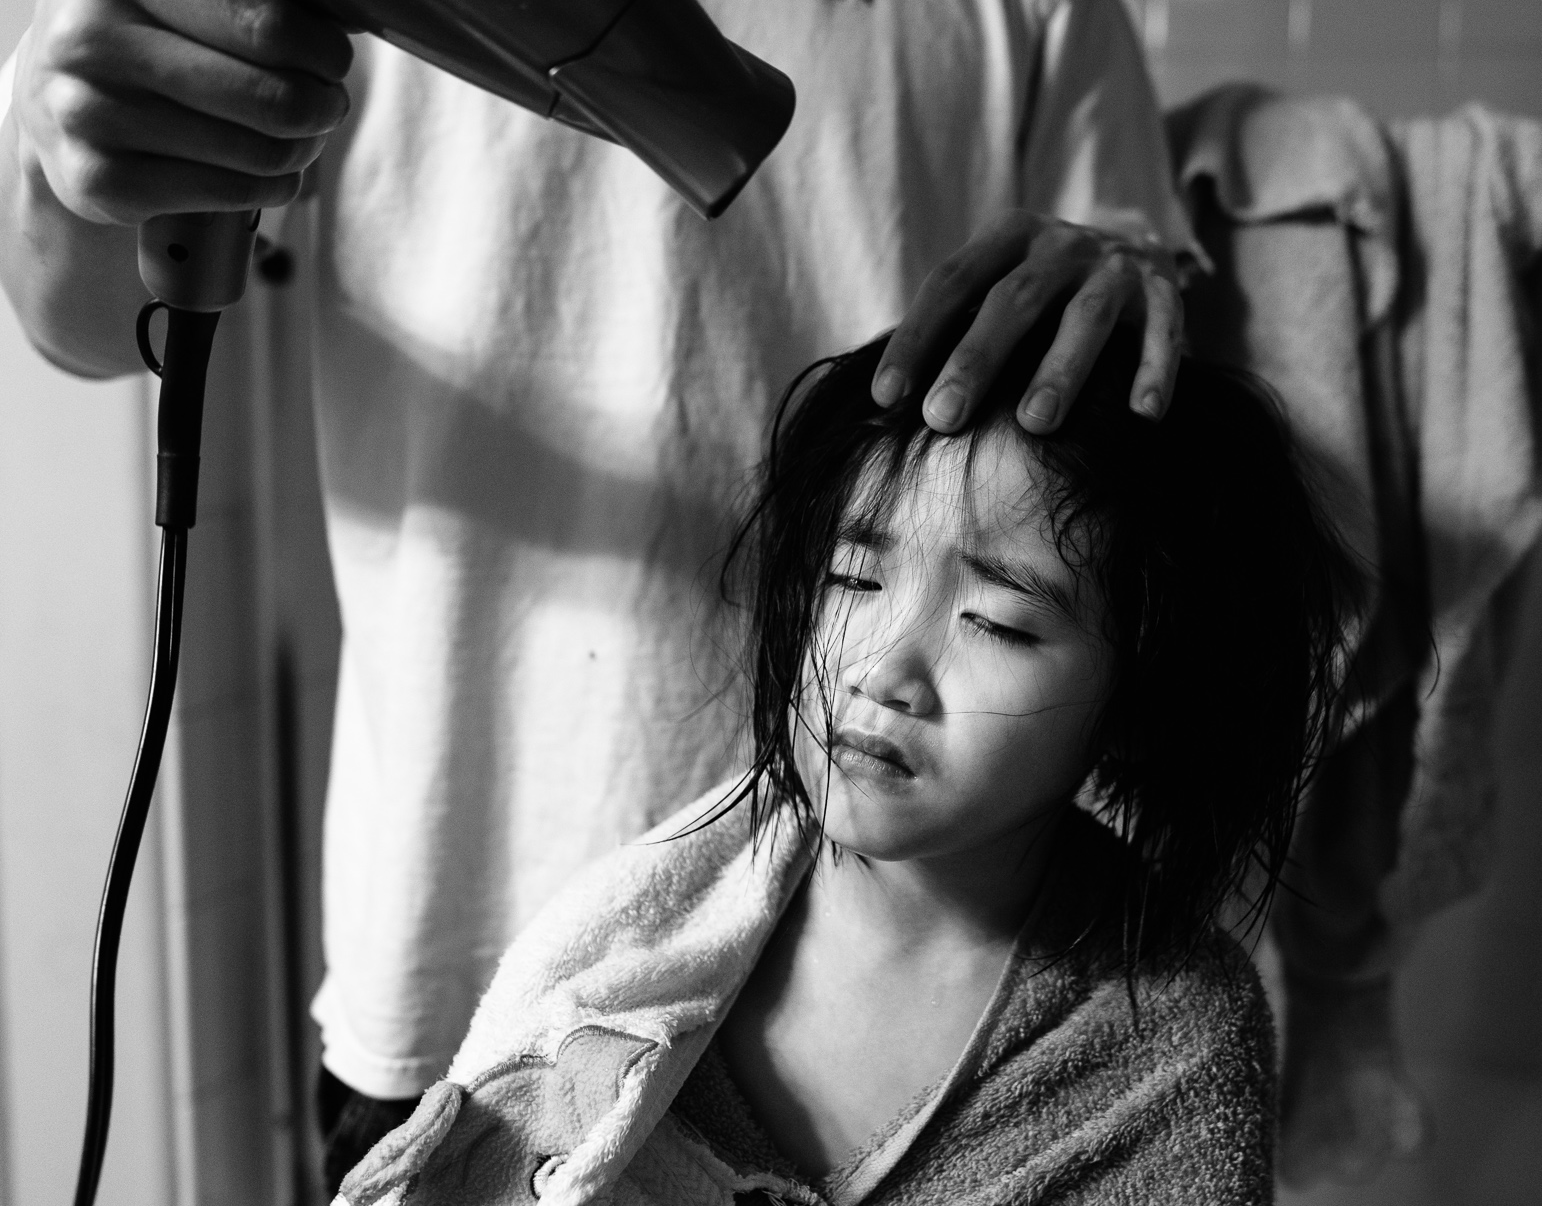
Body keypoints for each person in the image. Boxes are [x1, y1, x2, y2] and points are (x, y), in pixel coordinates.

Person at [0, 0, 1192, 1188]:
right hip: (457, 960)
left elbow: (1131, 421)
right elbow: (85, 314)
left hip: (877, 1003)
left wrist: (1141, 302)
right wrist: (71, 163)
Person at [334, 321, 1366, 1206]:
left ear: (1139, 693)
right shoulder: (635, 938)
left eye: (999, 624)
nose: (881, 671)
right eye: (852, 577)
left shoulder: (1170, 1047)